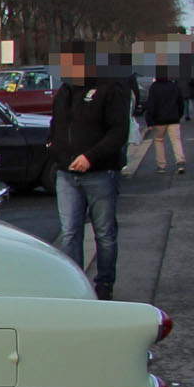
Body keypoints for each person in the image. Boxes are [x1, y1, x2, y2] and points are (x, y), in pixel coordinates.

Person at [49, 41, 132, 300]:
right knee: (70, 232)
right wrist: (55, 150)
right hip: (67, 174)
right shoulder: (64, 91)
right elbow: (56, 127)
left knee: (104, 232)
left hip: (100, 173)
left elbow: (119, 131)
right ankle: (76, 285)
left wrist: (90, 157)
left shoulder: (110, 88)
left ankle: (104, 283)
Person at [144, 69, 186, 174]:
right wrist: (179, 115)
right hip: (174, 118)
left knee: (159, 141)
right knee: (176, 140)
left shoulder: (154, 88)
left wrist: (149, 121)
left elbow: (151, 105)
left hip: (159, 120)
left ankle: (161, 165)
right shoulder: (174, 86)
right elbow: (180, 103)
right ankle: (180, 161)